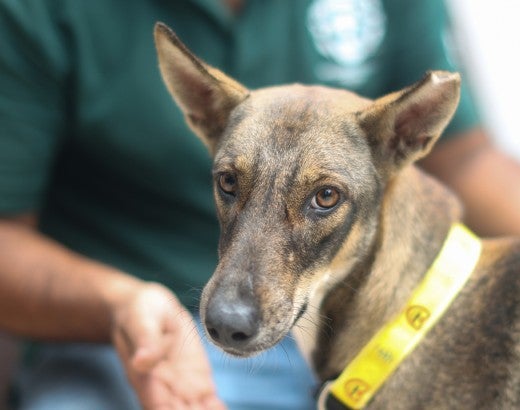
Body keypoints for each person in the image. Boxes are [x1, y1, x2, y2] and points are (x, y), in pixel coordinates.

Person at [0, 0, 519, 409]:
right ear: (200, 111)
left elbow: (468, 159)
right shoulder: (39, 9)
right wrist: (118, 303)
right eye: (230, 183)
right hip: (142, 338)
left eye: (322, 198)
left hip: (358, 338)